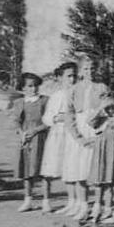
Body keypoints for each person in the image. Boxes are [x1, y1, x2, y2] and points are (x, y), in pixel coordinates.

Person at [63, 56, 110, 221]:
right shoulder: (73, 90)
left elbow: (108, 111)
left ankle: (98, 205)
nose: (89, 72)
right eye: (85, 69)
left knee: (96, 170)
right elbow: (69, 115)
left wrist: (99, 133)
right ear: (80, 71)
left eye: (92, 69)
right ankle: (83, 206)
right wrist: (78, 137)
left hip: (96, 128)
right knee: (79, 171)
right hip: (80, 131)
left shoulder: (102, 87)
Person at [42, 62, 77, 213]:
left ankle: (72, 201)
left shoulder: (79, 93)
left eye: (75, 76)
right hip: (57, 134)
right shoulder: (56, 96)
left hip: (73, 133)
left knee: (71, 167)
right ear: (60, 78)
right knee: (50, 167)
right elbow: (47, 117)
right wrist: (57, 118)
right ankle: (46, 200)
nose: (72, 79)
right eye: (69, 76)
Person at [12, 72, 50, 213]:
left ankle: (46, 201)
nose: (33, 89)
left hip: (41, 138)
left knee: (44, 170)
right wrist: (21, 133)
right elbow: (16, 121)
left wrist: (35, 130)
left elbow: (48, 121)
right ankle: (28, 200)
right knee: (27, 169)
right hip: (25, 139)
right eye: (29, 86)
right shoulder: (19, 102)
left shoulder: (45, 100)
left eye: (35, 86)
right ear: (23, 87)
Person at [86, 90, 114, 224]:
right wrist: (101, 107)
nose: (109, 106)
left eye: (111, 102)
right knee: (100, 180)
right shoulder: (100, 116)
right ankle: (98, 208)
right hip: (101, 149)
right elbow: (89, 122)